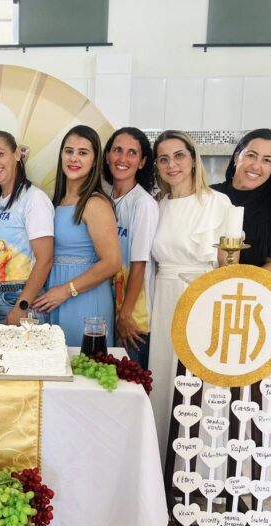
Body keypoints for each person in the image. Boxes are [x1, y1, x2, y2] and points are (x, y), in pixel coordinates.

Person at [146, 130, 232, 463]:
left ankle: (198, 466)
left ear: (193, 158)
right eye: (164, 158)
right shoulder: (157, 205)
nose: (172, 165)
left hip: (202, 297)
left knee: (199, 383)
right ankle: (163, 463)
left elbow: (227, 264)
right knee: (166, 376)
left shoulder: (216, 203)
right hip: (165, 297)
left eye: (179, 155)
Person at [32, 125, 120, 346]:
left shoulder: (95, 203)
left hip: (84, 297)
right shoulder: (56, 202)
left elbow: (112, 263)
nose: (74, 158)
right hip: (53, 296)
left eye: (83, 153)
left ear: (95, 160)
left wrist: (65, 291)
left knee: (82, 370)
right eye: (69, 151)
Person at [0, 131, 54, 325]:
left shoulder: (34, 198)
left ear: (16, 154)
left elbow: (45, 259)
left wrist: (21, 306)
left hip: (19, 299)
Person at [103, 127, 159, 368]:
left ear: (142, 161)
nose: (122, 159)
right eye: (117, 150)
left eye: (132, 153)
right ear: (107, 156)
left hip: (133, 318)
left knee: (131, 386)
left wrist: (125, 315)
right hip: (110, 309)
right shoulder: (104, 198)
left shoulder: (142, 203)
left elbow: (139, 265)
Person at [211, 128, 271, 274]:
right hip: (200, 287)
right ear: (237, 157)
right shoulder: (209, 195)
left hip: (252, 291)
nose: (256, 166)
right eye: (251, 155)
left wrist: (244, 284)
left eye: (267, 160)